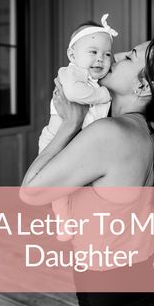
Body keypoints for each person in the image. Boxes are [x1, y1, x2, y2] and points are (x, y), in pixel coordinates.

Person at [20, 37, 154, 305]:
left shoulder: (110, 134)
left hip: (114, 288)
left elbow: (31, 193)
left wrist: (69, 124)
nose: (117, 55)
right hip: (147, 273)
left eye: (130, 56)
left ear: (142, 86)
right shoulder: (144, 130)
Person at [38, 14, 118, 241]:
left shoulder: (95, 81)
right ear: (72, 55)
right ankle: (62, 221)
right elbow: (73, 94)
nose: (101, 59)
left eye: (107, 54)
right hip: (57, 142)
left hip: (80, 144)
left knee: (81, 188)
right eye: (93, 52)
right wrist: (103, 94)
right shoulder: (70, 73)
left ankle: (83, 222)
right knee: (60, 190)